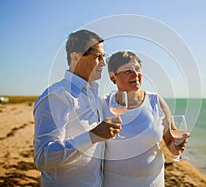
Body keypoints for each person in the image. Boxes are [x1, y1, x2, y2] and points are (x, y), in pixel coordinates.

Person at [33, 29, 122, 187]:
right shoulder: (57, 96)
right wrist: (93, 136)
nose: (103, 63)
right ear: (75, 57)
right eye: (98, 57)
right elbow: (42, 158)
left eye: (104, 57)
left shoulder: (94, 95)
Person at [102, 51, 190, 187]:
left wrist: (179, 145)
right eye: (128, 71)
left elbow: (172, 148)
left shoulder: (156, 101)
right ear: (113, 77)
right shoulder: (103, 104)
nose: (135, 74)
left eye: (137, 69)